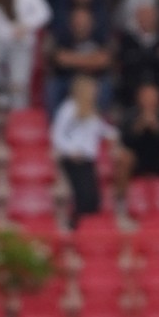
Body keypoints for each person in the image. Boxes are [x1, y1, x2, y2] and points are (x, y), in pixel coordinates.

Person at [51, 74, 117, 224]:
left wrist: (116, 134)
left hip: (88, 158)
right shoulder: (69, 108)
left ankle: (86, 226)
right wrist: (70, 150)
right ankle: (74, 225)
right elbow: (57, 134)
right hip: (74, 158)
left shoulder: (92, 111)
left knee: (92, 198)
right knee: (83, 196)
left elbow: (102, 129)